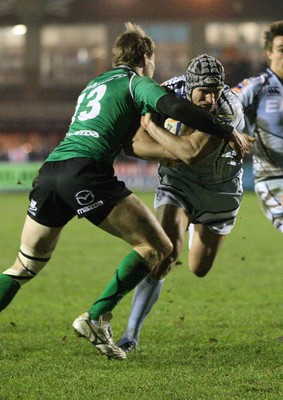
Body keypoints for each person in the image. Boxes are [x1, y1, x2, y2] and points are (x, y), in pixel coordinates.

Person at [0, 25, 246, 361]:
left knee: (24, 266)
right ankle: (95, 317)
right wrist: (224, 128)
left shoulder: (93, 85)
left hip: (51, 171)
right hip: (86, 173)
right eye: (153, 58)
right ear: (145, 57)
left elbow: (124, 137)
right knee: (159, 246)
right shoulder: (136, 82)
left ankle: (97, 320)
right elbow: (177, 109)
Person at [117, 54, 246, 353]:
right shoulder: (167, 93)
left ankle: (190, 228)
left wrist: (153, 129)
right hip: (179, 185)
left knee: (198, 268)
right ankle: (130, 336)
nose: (211, 98)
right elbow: (131, 143)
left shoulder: (230, 106)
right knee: (164, 254)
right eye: (204, 91)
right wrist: (168, 148)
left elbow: (191, 153)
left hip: (220, 191)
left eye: (216, 89)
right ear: (189, 87)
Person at [233, 20, 283, 233]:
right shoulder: (257, 86)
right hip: (274, 179)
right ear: (269, 54)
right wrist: (234, 133)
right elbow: (222, 109)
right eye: (281, 49)